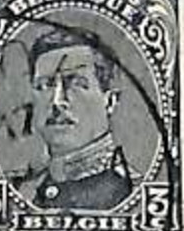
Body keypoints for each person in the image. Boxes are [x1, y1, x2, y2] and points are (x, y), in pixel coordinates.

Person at [16, 28, 136, 211]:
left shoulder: (132, 193)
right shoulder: (22, 191)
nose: (57, 101)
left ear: (110, 101)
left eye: (76, 84)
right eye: (44, 85)